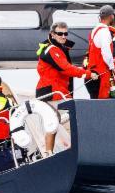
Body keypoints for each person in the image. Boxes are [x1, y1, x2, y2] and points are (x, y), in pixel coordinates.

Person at [36, 22, 97, 155]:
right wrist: (88, 73)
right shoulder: (52, 50)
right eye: (60, 33)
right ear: (52, 34)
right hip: (53, 93)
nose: (63, 36)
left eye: (65, 33)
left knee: (52, 124)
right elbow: (66, 68)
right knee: (65, 122)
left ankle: (48, 152)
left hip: (57, 92)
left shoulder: (57, 49)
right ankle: (68, 152)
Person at [86, 5, 115, 99]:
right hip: (100, 75)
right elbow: (106, 52)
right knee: (102, 104)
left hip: (91, 73)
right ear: (111, 16)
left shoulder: (94, 30)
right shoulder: (104, 31)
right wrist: (112, 67)